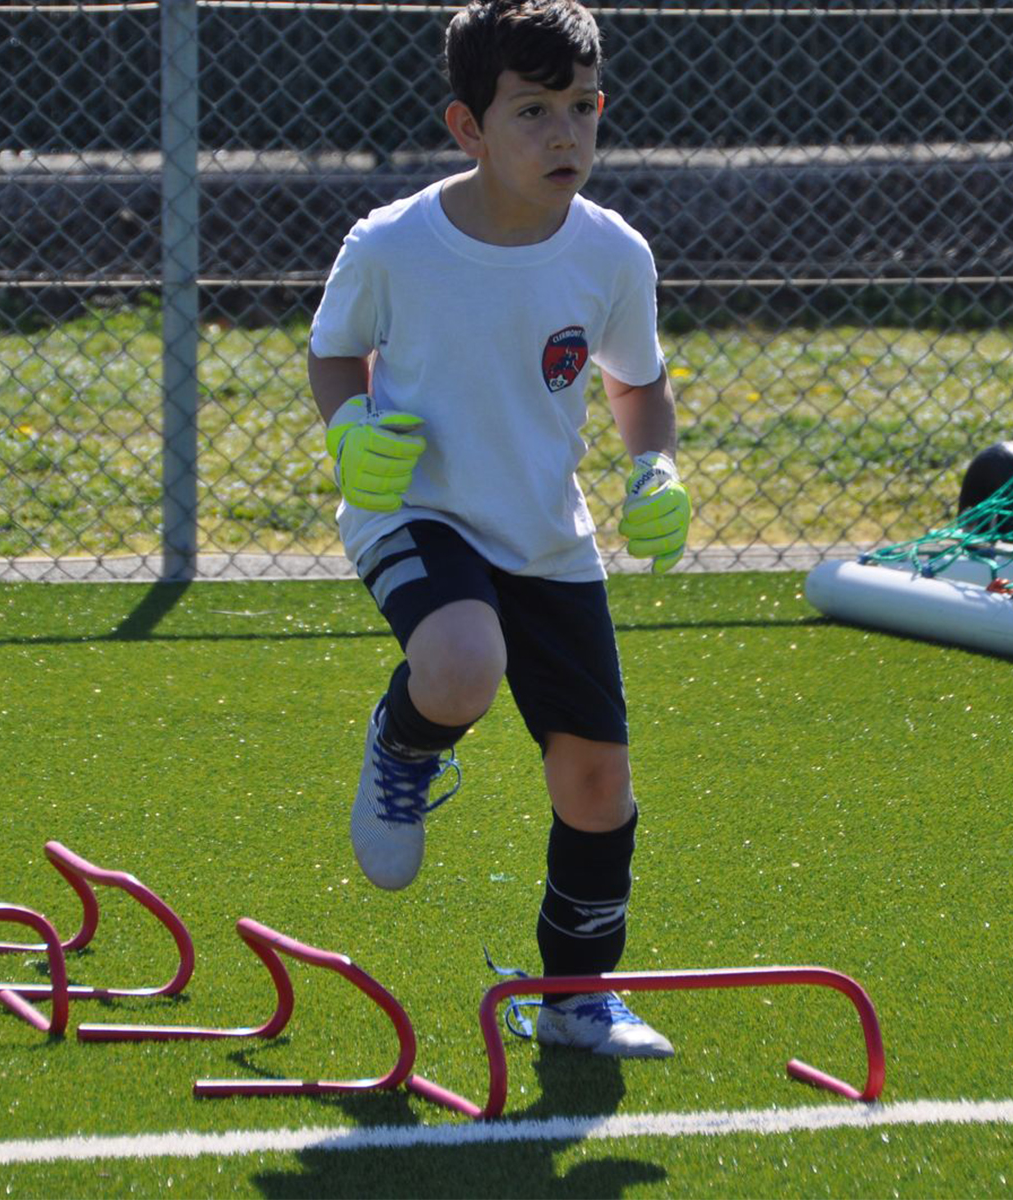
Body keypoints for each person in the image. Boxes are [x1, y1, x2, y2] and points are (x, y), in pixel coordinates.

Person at [306, 0, 689, 1058]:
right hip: (414, 510)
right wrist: (348, 431)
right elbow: (333, 356)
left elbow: (638, 388)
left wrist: (653, 465)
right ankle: (403, 745)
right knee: (463, 662)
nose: (563, 133)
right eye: (531, 111)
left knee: (597, 787)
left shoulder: (613, 254)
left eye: (579, 107)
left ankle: (573, 998)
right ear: (467, 127)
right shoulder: (393, 244)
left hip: (546, 538)